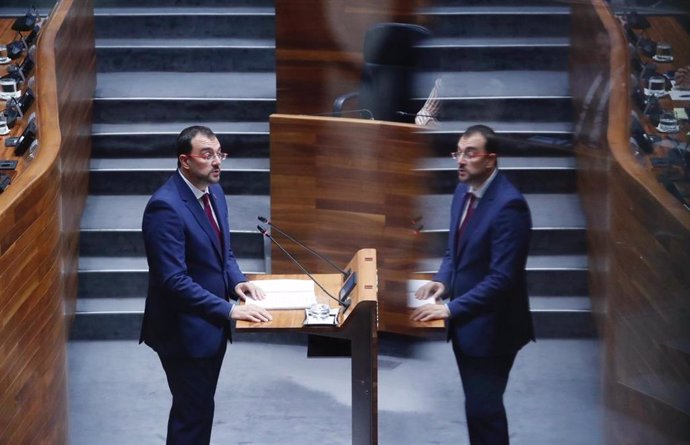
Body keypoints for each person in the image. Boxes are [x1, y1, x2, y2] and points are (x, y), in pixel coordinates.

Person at [140, 125, 272, 445]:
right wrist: (228, 310)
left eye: (220, 154)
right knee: (191, 415)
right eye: (207, 155)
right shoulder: (165, 208)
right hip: (182, 332)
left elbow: (221, 251)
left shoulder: (214, 193)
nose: (217, 162)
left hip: (208, 328)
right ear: (185, 161)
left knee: (199, 410)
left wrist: (237, 282)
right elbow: (173, 280)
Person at [411, 125, 534, 445]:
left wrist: (450, 308)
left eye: (470, 153)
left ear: (490, 160)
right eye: (458, 153)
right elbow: (456, 251)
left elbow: (502, 280)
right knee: (477, 407)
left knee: (486, 410)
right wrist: (442, 282)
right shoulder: (463, 192)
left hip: (495, 329)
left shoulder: (510, 207)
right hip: (469, 324)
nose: (460, 161)